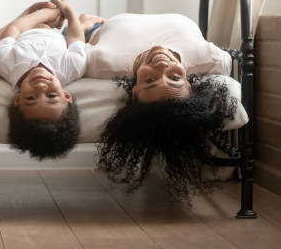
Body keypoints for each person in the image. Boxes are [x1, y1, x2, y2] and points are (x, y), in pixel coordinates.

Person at [84, 13, 237, 201]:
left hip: (97, 29)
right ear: (189, 85)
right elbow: (227, 62)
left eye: (150, 80)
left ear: (135, 92)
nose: (162, 67)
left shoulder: (103, 63)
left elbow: (74, 47)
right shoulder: (211, 59)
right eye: (174, 78)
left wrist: (84, 25)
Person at [0, 0, 104, 159]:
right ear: (66, 96)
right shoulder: (72, 68)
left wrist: (43, 14)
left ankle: (79, 23)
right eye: (52, 96)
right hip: (58, 37)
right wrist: (68, 12)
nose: (41, 88)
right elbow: (75, 39)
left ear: (18, 99)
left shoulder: (5, 64)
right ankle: (82, 23)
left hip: (29, 28)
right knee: (74, 37)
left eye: (31, 98)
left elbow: (15, 28)